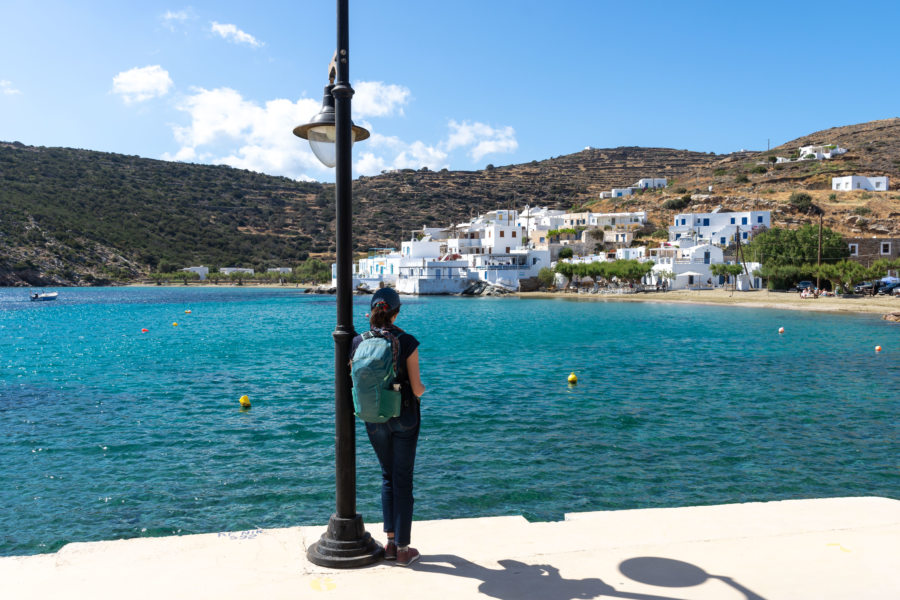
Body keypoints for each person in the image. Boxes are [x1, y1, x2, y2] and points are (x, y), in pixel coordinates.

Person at [351, 287, 426, 566]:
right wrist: (423, 390)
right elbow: (417, 389)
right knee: (403, 479)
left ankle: (391, 543)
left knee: (387, 476)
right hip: (403, 417)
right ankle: (404, 549)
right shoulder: (406, 341)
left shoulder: (358, 342)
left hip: (373, 418)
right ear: (395, 313)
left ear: (372, 312)